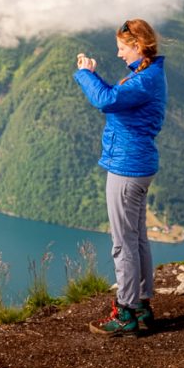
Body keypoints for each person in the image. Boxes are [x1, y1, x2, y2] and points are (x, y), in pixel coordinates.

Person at [73, 19, 167, 337]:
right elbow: (115, 95)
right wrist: (94, 75)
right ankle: (140, 304)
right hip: (138, 166)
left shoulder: (144, 79)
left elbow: (106, 100)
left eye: (122, 47)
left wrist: (85, 73)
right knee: (137, 239)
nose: (118, 53)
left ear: (138, 46)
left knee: (123, 243)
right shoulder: (147, 74)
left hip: (126, 169)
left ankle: (125, 311)